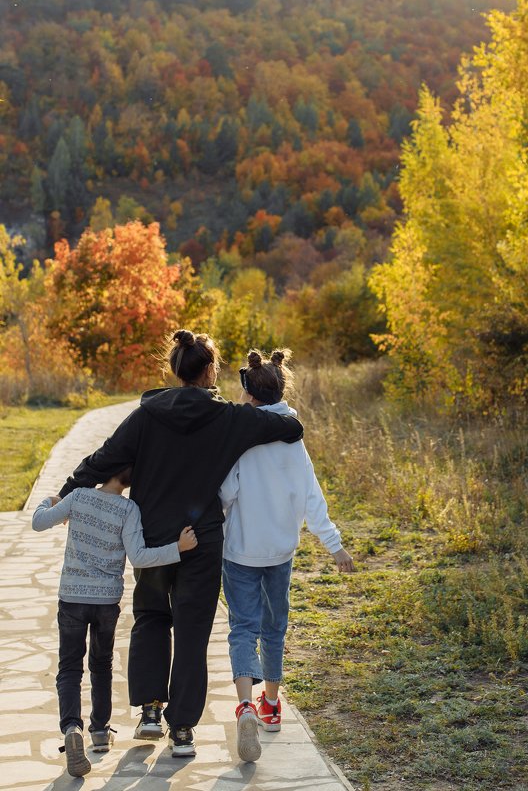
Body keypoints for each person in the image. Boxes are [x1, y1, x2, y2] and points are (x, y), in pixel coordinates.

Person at [56, 328, 304, 758]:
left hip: (150, 536)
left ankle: (150, 711)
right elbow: (292, 427)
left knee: (152, 617)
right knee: (192, 631)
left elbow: (105, 458)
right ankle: (183, 731)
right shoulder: (229, 418)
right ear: (210, 370)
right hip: (202, 539)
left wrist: (67, 490)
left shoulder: (146, 415)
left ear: (174, 369)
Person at [220, 348, 354, 763]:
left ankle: (244, 705)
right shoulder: (294, 443)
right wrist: (334, 545)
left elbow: (226, 494)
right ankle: (272, 705)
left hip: (241, 550)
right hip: (280, 551)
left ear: (249, 395)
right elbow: (312, 498)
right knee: (275, 625)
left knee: (243, 626)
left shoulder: (243, 442)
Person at [32, 466, 198, 778]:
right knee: (101, 665)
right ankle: (99, 730)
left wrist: (50, 499)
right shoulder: (128, 508)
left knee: (69, 668)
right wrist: (178, 548)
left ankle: (71, 728)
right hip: (106, 602)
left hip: (71, 598)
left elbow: (38, 522)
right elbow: (140, 558)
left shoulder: (78, 497)